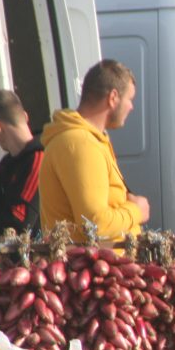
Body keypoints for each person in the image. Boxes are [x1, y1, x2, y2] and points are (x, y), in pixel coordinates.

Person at [39, 59, 150, 242]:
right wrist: (136, 210)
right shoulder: (81, 143)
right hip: (89, 260)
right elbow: (94, 224)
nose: (132, 107)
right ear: (113, 98)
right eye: (130, 99)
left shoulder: (87, 140)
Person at [0, 90, 44, 247]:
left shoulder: (39, 159)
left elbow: (20, 220)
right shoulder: (7, 164)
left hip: (34, 256)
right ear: (25, 116)